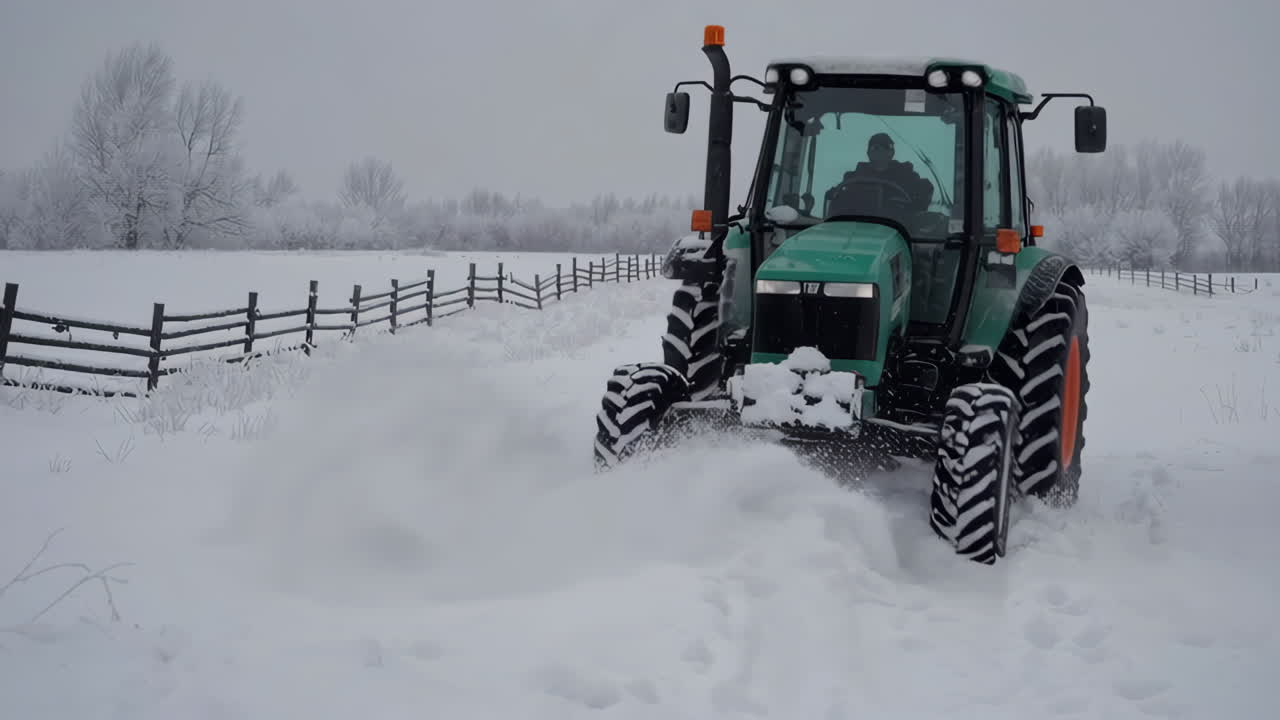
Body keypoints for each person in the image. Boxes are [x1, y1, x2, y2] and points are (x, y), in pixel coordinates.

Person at [825, 132, 934, 220]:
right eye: (876, 148)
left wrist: (915, 204)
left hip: (898, 230)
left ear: (892, 153)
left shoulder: (906, 175)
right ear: (868, 153)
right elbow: (835, 197)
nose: (881, 152)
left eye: (885, 148)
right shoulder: (854, 178)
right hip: (857, 229)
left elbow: (926, 189)